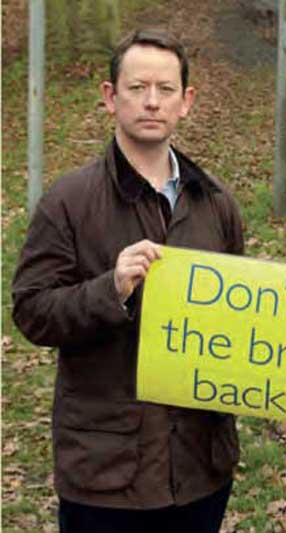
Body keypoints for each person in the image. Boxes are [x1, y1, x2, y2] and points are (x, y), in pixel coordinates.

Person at [12, 28, 243, 533]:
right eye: (137, 88)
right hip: (106, 473)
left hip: (199, 468)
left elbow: (238, 321)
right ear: (110, 97)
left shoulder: (216, 203)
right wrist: (109, 290)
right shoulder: (68, 201)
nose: (152, 102)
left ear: (186, 101)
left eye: (166, 89)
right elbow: (31, 311)